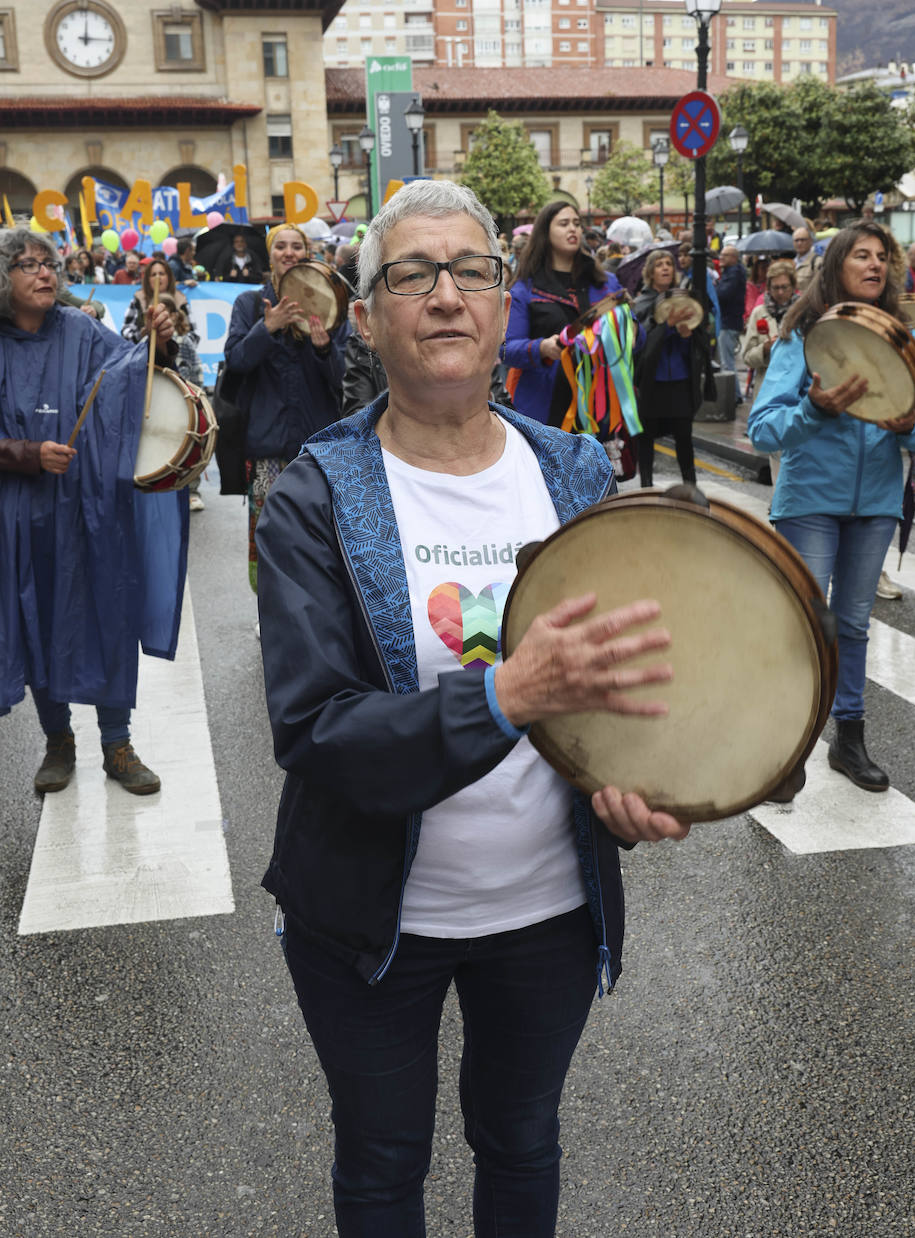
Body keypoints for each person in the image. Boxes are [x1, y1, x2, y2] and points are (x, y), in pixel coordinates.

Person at [256, 179, 689, 1236]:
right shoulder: (317, 492)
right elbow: (316, 729)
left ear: (505, 307)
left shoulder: (577, 472)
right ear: (367, 317)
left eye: (472, 272)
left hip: (545, 911)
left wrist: (634, 785)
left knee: (522, 1139)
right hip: (371, 920)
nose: (445, 295)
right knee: (382, 1160)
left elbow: (625, 683)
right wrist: (508, 694)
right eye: (413, 275)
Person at [0, 227, 187, 795]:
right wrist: (29, 454)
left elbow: (134, 375)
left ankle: (117, 742)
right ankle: (58, 740)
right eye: (27, 264)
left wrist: (162, 340)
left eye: (48, 263)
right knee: (35, 624)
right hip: (19, 516)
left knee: (105, 611)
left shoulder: (81, 329)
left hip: (88, 508)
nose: (44, 272)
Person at [748, 220, 915, 799]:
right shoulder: (802, 335)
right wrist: (815, 410)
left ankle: (849, 740)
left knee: (851, 625)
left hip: (875, 504)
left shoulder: (903, 339)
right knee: (804, 625)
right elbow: (763, 429)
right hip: (811, 501)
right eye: (861, 255)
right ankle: (783, 747)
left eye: (882, 257)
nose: (875, 265)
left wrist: (910, 428)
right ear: (837, 265)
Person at [224, 222, 349, 596]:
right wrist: (268, 327)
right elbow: (236, 361)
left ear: (307, 253)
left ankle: (317, 611)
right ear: (271, 253)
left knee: (318, 537)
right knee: (269, 536)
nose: (289, 252)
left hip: (318, 446)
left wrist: (324, 348)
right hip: (267, 448)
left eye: (297, 246)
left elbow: (343, 379)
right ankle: (272, 611)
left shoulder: (329, 301)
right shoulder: (249, 304)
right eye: (281, 246)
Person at [504, 201, 631, 441]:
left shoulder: (606, 283)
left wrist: (629, 331)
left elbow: (634, 336)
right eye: (563, 224)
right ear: (545, 232)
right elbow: (506, 349)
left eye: (576, 223)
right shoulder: (525, 289)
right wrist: (542, 348)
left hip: (599, 407)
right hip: (545, 408)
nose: (573, 229)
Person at [122, 263, 206, 511]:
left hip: (178, 374)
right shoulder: (137, 300)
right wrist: (147, 334)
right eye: (153, 274)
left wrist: (173, 336)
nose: (158, 278)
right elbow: (124, 332)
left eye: (163, 273)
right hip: (144, 375)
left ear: (169, 277)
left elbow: (194, 334)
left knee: (184, 429)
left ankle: (189, 487)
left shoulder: (180, 300)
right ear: (147, 279)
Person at [632, 249, 716, 487]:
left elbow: (703, 337)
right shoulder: (642, 302)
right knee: (646, 438)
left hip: (680, 381)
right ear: (650, 272)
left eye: (669, 263)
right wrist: (667, 327)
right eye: (659, 264)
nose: (666, 268)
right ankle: (646, 486)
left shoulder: (686, 298)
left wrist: (687, 334)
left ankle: (691, 487)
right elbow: (641, 341)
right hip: (652, 383)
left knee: (684, 438)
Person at [741, 260, 798, 481]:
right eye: (776, 288)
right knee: (775, 454)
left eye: (785, 287)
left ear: (793, 287)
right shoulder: (759, 313)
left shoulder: (802, 312)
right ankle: (778, 504)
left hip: (795, 389)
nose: (781, 292)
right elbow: (747, 356)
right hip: (769, 389)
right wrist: (765, 349)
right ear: (768, 287)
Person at [714, 245, 747, 401]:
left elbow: (723, 294)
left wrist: (715, 288)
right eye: (721, 255)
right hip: (729, 321)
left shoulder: (734, 274)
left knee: (727, 362)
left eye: (725, 255)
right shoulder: (731, 273)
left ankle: (735, 396)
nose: (721, 258)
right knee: (727, 361)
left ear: (734, 258)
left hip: (729, 322)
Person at [793, 225, 823, 289]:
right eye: (796, 240)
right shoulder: (791, 263)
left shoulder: (817, 262)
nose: (799, 243)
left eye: (803, 240)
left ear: (811, 241)